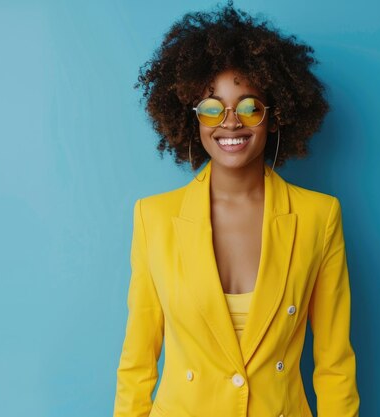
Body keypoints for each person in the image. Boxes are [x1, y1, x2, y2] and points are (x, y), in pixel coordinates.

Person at [113, 2, 359, 416]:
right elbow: (137, 365)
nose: (231, 122)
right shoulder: (153, 218)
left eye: (249, 106)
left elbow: (335, 367)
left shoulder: (320, 216)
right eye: (212, 107)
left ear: (275, 115)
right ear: (193, 119)